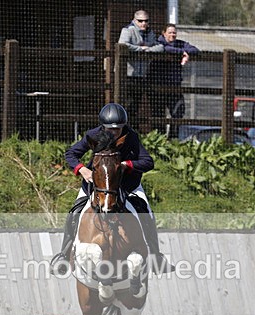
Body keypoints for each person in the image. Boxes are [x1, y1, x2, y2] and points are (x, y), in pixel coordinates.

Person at [50, 103, 175, 276]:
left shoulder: (130, 137)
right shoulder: (93, 136)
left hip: (128, 186)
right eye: (111, 129)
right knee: (75, 211)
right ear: (103, 126)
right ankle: (64, 255)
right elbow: (71, 153)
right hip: (96, 186)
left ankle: (156, 255)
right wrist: (82, 169)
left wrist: (127, 165)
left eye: (118, 129)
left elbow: (148, 162)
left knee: (147, 212)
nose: (115, 133)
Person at [151, 23, 199, 137]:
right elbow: (164, 48)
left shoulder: (180, 43)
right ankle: (158, 139)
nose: (172, 35)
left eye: (174, 33)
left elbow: (195, 49)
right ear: (164, 33)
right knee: (158, 114)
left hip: (174, 86)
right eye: (170, 32)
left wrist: (186, 52)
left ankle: (173, 138)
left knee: (178, 111)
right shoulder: (158, 42)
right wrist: (181, 52)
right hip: (158, 86)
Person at [117, 10, 163, 120]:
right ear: (134, 20)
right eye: (140, 21)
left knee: (135, 105)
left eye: (146, 21)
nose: (143, 23)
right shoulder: (127, 30)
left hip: (142, 75)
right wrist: (140, 49)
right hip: (127, 74)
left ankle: (133, 132)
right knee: (127, 104)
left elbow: (160, 47)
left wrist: (148, 50)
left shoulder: (150, 33)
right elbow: (122, 45)